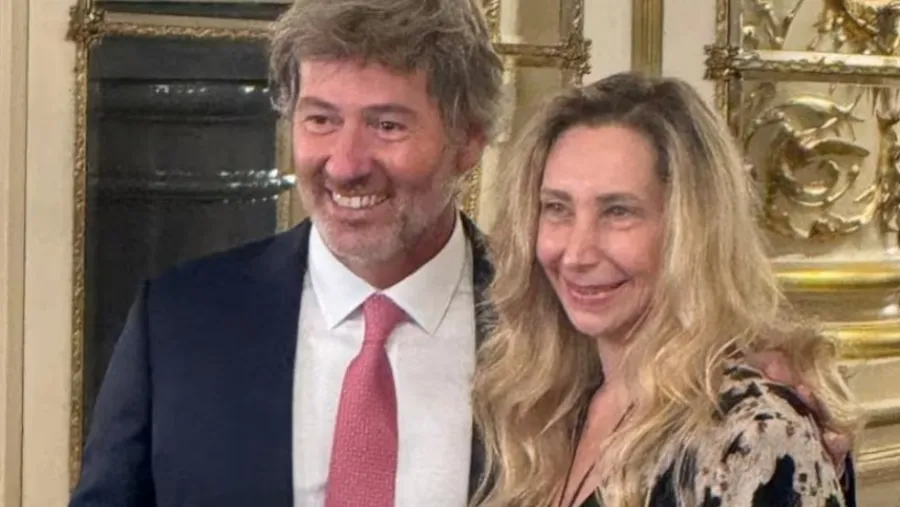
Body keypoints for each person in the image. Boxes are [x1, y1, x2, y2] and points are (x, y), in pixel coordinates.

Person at [68, 1, 851, 507]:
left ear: (470, 140)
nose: (345, 163)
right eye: (319, 119)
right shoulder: (181, 321)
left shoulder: (551, 330)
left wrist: (782, 395)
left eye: (387, 124)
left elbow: (733, 427)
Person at [471, 72, 862, 507]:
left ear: (691, 229)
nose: (577, 254)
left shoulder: (752, 434)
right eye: (557, 208)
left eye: (618, 212)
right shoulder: (549, 402)